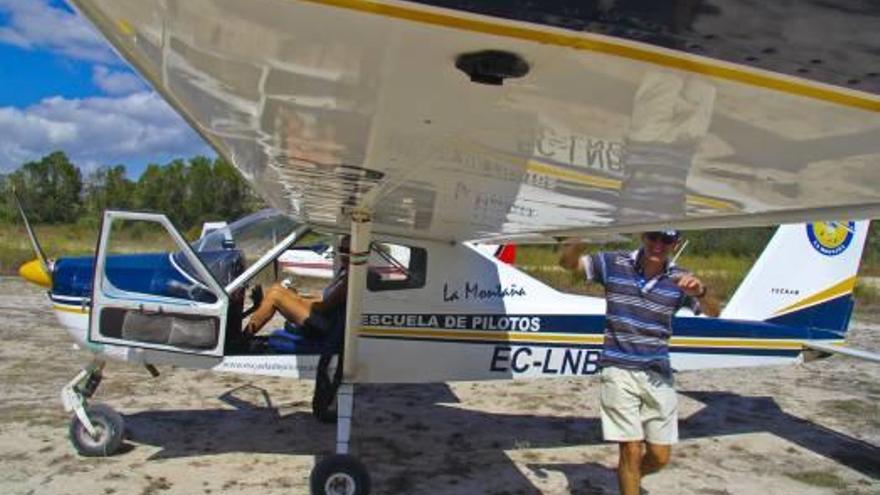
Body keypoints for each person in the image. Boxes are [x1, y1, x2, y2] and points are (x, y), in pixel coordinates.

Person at [559, 230, 719, 495]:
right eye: (653, 237)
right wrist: (578, 242)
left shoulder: (681, 278)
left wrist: (701, 291)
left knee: (659, 456)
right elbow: (568, 264)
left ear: (675, 244)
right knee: (631, 450)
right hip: (618, 367)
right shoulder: (614, 263)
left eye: (666, 240)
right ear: (644, 237)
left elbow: (714, 312)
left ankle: (628, 477)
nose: (658, 245)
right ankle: (629, 476)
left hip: (657, 371)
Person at [244, 235, 350, 337]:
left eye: (348, 251)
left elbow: (323, 306)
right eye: (341, 249)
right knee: (278, 288)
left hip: (323, 324)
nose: (344, 254)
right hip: (322, 317)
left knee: (275, 296)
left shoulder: (349, 280)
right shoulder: (344, 273)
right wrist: (294, 297)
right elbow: (323, 298)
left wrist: (297, 300)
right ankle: (248, 329)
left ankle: (243, 337)